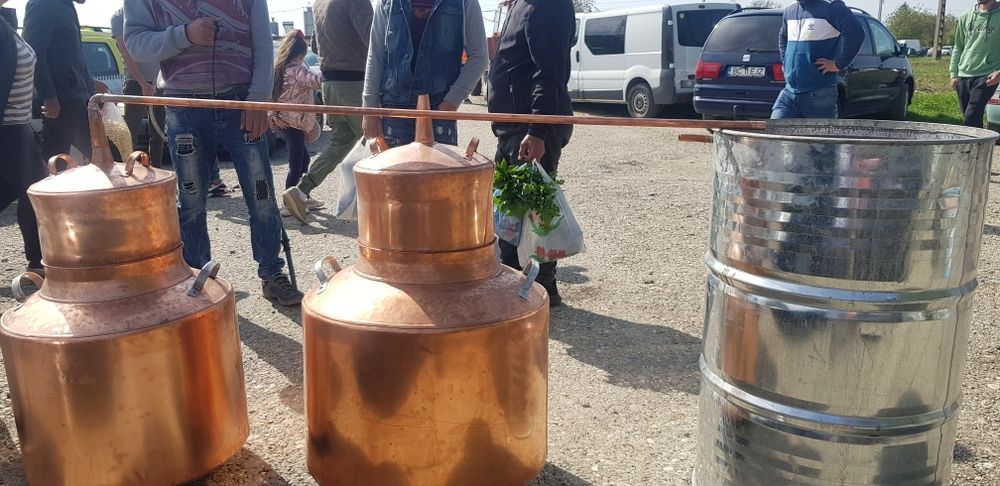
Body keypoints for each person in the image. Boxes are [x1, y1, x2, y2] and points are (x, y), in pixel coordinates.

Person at [125, 0, 303, 306]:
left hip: (241, 101)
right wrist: (185, 34)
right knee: (191, 200)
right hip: (184, 105)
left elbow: (263, 44)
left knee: (261, 195)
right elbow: (137, 45)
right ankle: (197, 278)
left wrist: (258, 99)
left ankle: (272, 273)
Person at [488, 0, 574, 307]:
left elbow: (550, 71)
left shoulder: (546, 5)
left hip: (529, 129)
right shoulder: (521, 5)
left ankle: (534, 295)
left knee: (531, 217)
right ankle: (527, 291)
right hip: (513, 127)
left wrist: (537, 130)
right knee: (512, 218)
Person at [282, 0, 372, 222]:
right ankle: (383, 206)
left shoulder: (320, 3)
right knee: (376, 142)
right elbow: (375, 40)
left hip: (330, 84)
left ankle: (300, 191)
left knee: (340, 144)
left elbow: (315, 46)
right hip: (356, 83)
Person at [361, 0, 488, 147]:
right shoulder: (387, 2)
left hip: (439, 110)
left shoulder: (465, 2)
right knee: (393, 163)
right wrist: (369, 109)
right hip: (394, 111)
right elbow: (376, 55)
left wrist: (451, 102)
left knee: (437, 163)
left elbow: (479, 57)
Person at [23, 0, 108, 161]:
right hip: (63, 101)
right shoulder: (43, 4)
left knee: (56, 159)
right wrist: (49, 96)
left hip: (73, 96)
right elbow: (33, 53)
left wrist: (90, 83)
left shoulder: (65, 5)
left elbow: (68, 57)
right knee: (105, 155)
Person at [1, 14, 47, 276]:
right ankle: (39, 262)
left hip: (18, 124)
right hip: (8, 127)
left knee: (11, 189)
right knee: (37, 192)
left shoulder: (5, 22)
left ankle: (39, 261)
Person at [771, 0, 864, 119]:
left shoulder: (831, 7)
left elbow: (856, 32)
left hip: (819, 93)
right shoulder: (790, 10)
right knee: (775, 129)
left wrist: (839, 63)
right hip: (789, 92)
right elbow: (783, 37)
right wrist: (785, 61)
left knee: (817, 132)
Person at [270, 30, 323, 221]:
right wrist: (328, 66)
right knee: (296, 164)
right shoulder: (297, 71)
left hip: (282, 122)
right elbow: (317, 82)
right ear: (300, 55)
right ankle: (288, 204)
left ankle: (302, 196)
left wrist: (273, 115)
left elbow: (270, 95)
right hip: (294, 124)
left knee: (304, 159)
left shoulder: (279, 69)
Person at [111, 6, 164, 167]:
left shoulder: (154, 10)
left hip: (159, 82)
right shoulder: (119, 16)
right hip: (135, 83)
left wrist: (160, 79)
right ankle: (124, 171)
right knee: (129, 133)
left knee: (158, 132)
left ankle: (157, 170)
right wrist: (142, 83)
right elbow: (125, 53)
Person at [950, 0, 1000, 129]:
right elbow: (958, 46)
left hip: (988, 74)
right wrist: (953, 73)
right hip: (964, 73)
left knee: (971, 114)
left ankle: (974, 141)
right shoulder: (966, 16)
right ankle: (979, 141)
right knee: (969, 118)